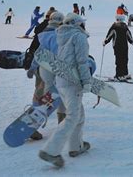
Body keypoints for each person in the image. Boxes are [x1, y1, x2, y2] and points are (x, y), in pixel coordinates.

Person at [39, 13, 92, 168]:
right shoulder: (78, 37)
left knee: (79, 115)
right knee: (72, 117)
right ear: (77, 24)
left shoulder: (62, 36)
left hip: (61, 81)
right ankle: (51, 151)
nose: (84, 26)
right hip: (72, 82)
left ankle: (76, 147)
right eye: (82, 24)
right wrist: (86, 81)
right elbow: (82, 62)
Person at [29, 12, 67, 124]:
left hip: (43, 68)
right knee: (57, 94)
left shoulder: (44, 34)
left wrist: (33, 67)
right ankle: (61, 118)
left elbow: (38, 53)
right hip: (55, 68)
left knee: (48, 93)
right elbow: (58, 54)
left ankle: (35, 116)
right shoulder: (57, 34)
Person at [103, 14, 133, 80]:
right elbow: (129, 35)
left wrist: (105, 42)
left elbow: (109, 35)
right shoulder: (124, 26)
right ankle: (125, 74)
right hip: (125, 46)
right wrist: (131, 41)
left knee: (119, 60)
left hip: (117, 46)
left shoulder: (114, 27)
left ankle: (119, 75)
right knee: (125, 59)